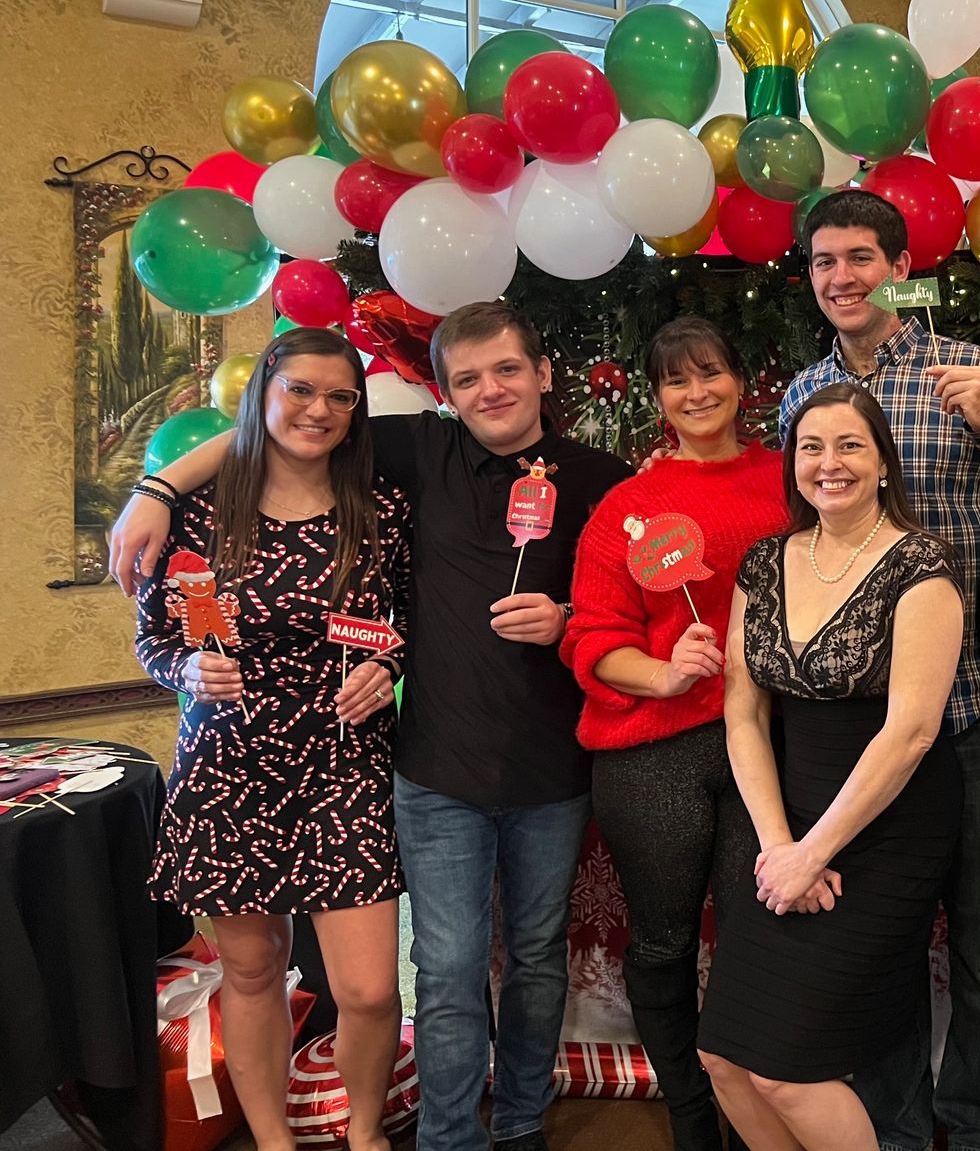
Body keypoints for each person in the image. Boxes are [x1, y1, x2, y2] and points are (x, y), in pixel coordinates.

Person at [112, 302, 632, 1151]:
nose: (489, 389)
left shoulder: (580, 481)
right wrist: (157, 488)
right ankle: (436, 1138)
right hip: (366, 771)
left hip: (486, 767)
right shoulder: (410, 455)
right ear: (445, 393)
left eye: (506, 370)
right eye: (466, 378)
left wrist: (559, 617)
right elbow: (260, 452)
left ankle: (488, 1127)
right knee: (422, 973)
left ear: (543, 373)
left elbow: (398, 618)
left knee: (478, 972)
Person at [781, 190, 980, 1151]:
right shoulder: (801, 397)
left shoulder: (969, 368)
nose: (841, 278)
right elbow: (802, 541)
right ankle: (891, 1128)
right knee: (882, 944)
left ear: (897, 264)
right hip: (864, 720)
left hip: (977, 708)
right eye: (822, 263)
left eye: (858, 258)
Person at [132, 327, 407, 1151]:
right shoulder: (192, 515)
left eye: (340, 396)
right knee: (251, 972)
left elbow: (412, 627)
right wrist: (183, 671)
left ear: (356, 412)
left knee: (365, 989)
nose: (319, 409)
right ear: (263, 397)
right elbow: (154, 640)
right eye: (300, 390)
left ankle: (365, 1135)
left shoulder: (381, 511)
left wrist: (390, 665)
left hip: (343, 765)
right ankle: (274, 1140)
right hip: (228, 767)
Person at [697, 383, 964, 1151]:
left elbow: (911, 732)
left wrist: (816, 852)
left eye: (850, 445)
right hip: (779, 818)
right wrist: (781, 848)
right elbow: (743, 712)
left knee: (790, 1072)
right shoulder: (766, 562)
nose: (829, 463)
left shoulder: (921, 564)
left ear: (882, 462)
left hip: (884, 826)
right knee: (723, 1059)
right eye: (811, 447)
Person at [561, 318, 785, 1151]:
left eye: (712, 372)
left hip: (763, 742)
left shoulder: (790, 478)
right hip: (656, 752)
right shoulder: (630, 506)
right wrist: (661, 672)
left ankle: (743, 1109)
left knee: (751, 937)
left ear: (739, 380)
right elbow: (589, 636)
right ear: (656, 398)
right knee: (661, 941)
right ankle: (691, 1115)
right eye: (677, 381)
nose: (698, 393)